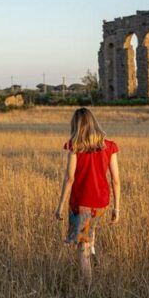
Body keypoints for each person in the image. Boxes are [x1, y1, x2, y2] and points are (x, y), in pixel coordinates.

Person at [54, 107, 120, 282]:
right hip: (102, 203)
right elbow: (116, 180)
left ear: (76, 125)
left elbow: (69, 178)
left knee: (82, 248)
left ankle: (87, 287)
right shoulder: (109, 146)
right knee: (90, 234)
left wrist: (60, 206)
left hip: (83, 203)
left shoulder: (74, 146)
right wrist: (117, 208)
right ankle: (93, 261)